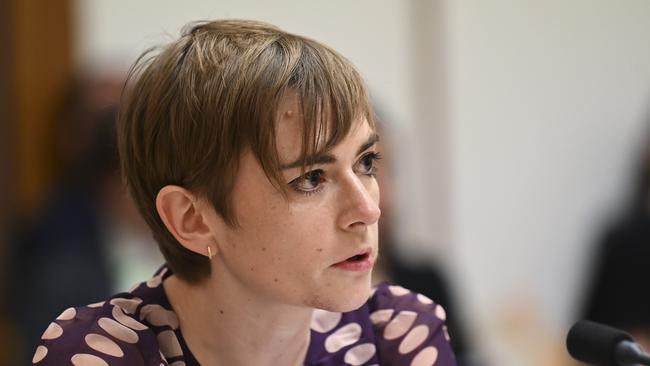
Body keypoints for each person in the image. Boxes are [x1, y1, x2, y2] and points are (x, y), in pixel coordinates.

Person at [32, 20, 457, 365]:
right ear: (192, 219)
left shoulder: (397, 333)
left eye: (366, 163)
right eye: (310, 178)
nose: (368, 209)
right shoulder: (98, 353)